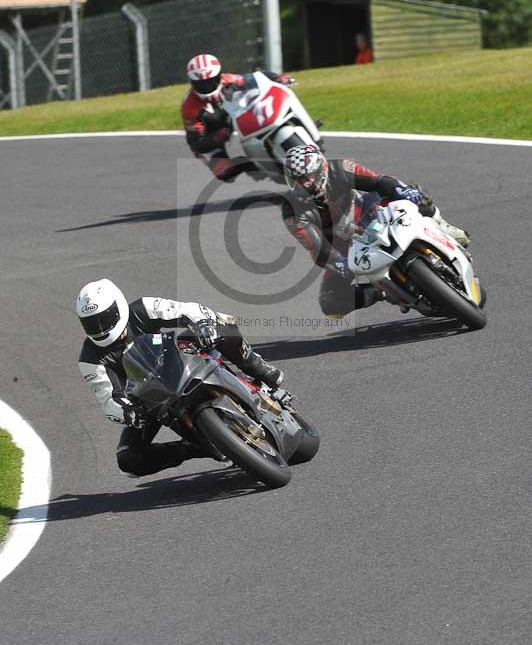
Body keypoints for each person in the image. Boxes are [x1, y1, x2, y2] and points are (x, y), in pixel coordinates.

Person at [77, 279, 285, 477]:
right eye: (92, 324)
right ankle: (194, 447)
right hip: (149, 399)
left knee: (222, 322)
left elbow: (185, 310)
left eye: (104, 319)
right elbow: (108, 398)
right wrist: (127, 412)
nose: (101, 328)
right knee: (129, 460)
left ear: (118, 306)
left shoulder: (141, 309)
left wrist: (203, 324)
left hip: (179, 360)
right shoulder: (90, 359)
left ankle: (260, 369)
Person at [281, 145, 470, 317]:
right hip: (345, 250)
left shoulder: (339, 168)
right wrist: (339, 262)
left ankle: (443, 226)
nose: (304, 184)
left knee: (416, 195)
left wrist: (402, 191)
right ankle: (380, 291)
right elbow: (317, 248)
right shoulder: (291, 209)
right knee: (330, 305)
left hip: (370, 214)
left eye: (307, 177)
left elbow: (379, 181)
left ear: (321, 170)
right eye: (297, 180)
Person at [181, 53, 293, 182]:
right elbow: (196, 143)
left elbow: (257, 77)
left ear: (218, 76)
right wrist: (216, 137)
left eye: (210, 81)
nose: (206, 87)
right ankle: (249, 164)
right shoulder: (189, 107)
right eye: (201, 84)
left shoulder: (228, 80)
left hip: (228, 108)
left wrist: (277, 78)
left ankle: (293, 123)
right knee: (225, 172)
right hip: (210, 133)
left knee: (260, 114)